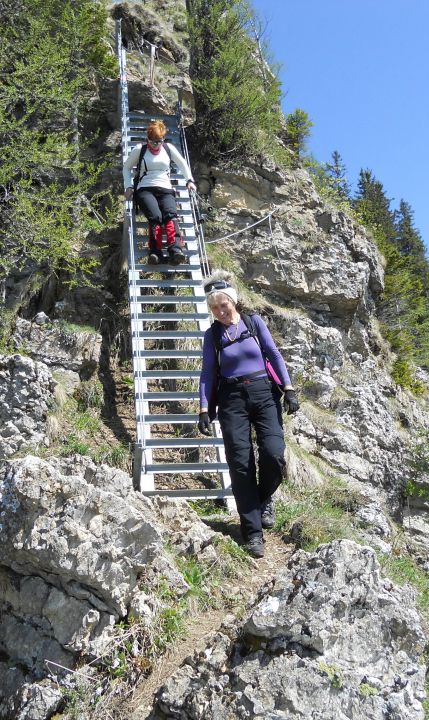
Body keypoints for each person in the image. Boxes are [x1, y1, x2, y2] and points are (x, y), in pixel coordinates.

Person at [197, 273, 300, 558]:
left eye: (223, 306)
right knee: (240, 463)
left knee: (274, 452)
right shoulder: (212, 336)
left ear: (233, 301)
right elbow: (207, 372)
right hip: (231, 399)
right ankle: (253, 533)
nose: (220, 312)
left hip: (264, 393)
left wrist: (288, 388)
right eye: (214, 308)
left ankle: (263, 497)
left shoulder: (254, 323)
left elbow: (274, 354)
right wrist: (204, 408)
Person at [124, 120, 196, 265]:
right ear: (147, 139)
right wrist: (128, 186)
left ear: (163, 139)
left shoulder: (168, 148)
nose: (156, 145)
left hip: (165, 188)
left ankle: (175, 250)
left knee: (170, 215)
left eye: (159, 141)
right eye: (153, 142)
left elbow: (182, 164)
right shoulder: (140, 149)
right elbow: (126, 167)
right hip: (145, 189)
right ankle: (155, 252)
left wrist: (189, 180)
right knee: (155, 216)